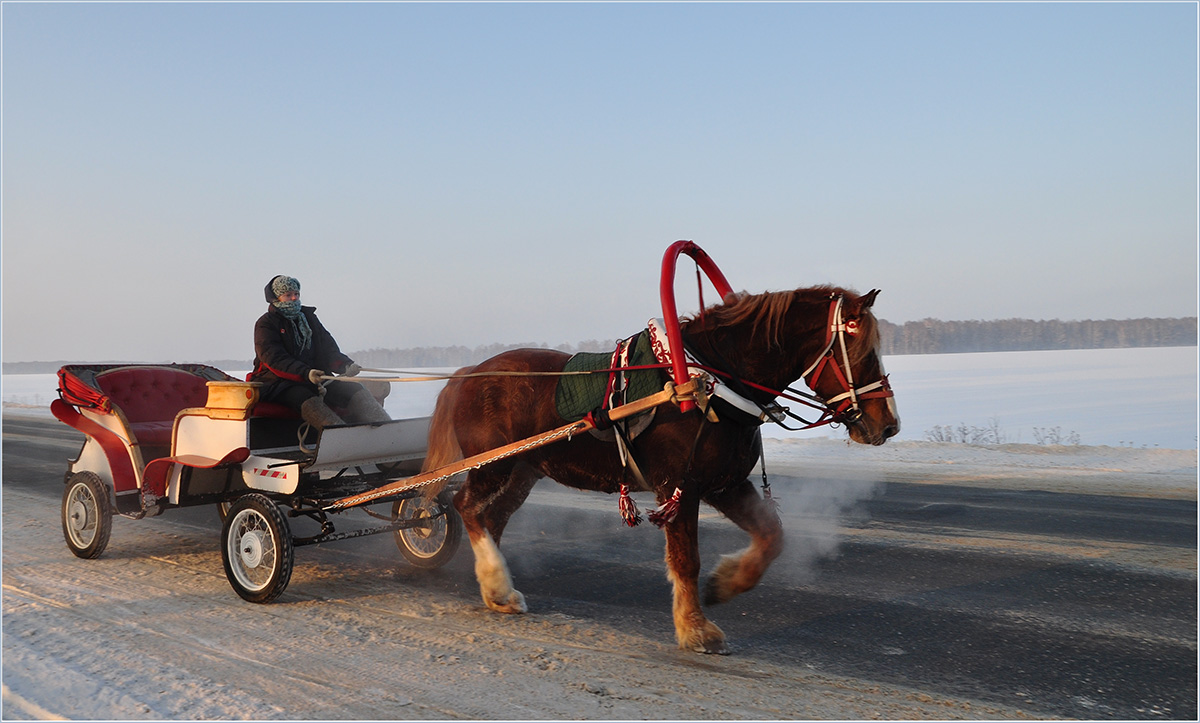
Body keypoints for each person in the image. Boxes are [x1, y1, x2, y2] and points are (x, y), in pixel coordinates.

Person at [249, 275, 390, 429]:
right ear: (276, 298)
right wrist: (305, 373)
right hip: (278, 383)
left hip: (315, 377)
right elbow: (273, 358)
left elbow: (327, 348)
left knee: (353, 389)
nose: (294, 298)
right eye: (288, 295)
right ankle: (339, 439)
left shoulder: (310, 319)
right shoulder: (266, 323)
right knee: (307, 398)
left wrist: (344, 365)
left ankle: (388, 430)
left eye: (296, 294)